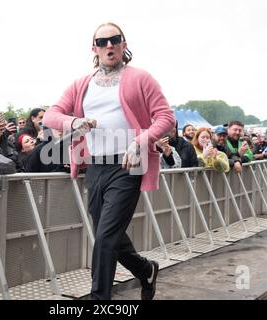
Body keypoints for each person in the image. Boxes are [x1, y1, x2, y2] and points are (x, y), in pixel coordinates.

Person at [42, 22, 174, 300]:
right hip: (95, 167)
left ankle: (98, 299)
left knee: (104, 238)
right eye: (102, 42)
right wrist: (75, 120)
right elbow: (50, 116)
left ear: (124, 45)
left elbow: (166, 118)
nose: (109, 45)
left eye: (115, 40)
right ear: (95, 49)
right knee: (108, 235)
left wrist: (140, 142)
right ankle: (145, 269)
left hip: (129, 166)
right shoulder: (82, 83)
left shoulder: (141, 78)